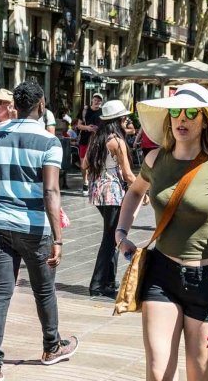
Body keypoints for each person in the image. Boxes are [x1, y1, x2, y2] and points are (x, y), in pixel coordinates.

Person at [115, 83, 208, 380]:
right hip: (161, 273)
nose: (181, 118)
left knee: (200, 375)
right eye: (175, 111)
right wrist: (120, 233)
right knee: (158, 373)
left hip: (207, 281)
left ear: (205, 119)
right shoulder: (155, 159)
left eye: (190, 112)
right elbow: (135, 192)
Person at [0, 81, 78, 381]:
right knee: (44, 290)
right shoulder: (50, 142)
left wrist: (4, 206)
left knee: (0, 294)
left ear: (15, 105)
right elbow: (51, 191)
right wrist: (58, 237)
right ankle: (51, 347)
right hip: (34, 229)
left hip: (0, 225)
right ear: (41, 104)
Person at [82, 100, 137, 297]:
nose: (126, 121)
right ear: (118, 120)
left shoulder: (97, 137)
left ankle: (108, 281)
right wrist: (142, 192)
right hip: (113, 192)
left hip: (98, 191)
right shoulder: (118, 141)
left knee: (112, 236)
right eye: (124, 118)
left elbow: (85, 164)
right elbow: (129, 174)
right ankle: (98, 284)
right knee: (110, 239)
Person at [78, 93, 104, 196]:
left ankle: (94, 183)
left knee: (96, 162)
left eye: (99, 100)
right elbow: (79, 125)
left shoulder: (102, 112)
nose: (97, 101)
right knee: (83, 163)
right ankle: (85, 182)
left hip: (97, 140)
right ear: (92, 100)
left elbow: (105, 126)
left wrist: (98, 129)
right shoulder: (85, 110)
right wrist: (88, 128)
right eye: (95, 99)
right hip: (84, 140)